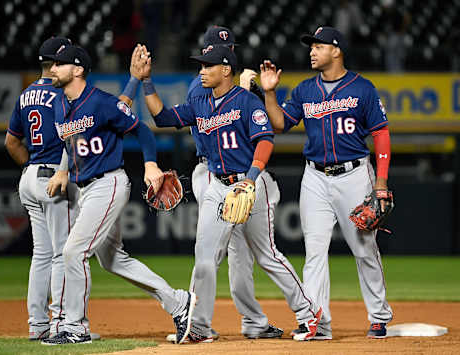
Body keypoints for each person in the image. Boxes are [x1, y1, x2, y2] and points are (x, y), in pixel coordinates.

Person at [137, 43, 322, 343]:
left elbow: (265, 141)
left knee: (267, 255)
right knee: (204, 258)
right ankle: (198, 326)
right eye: (201, 65)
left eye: (207, 66)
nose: (201, 71)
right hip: (217, 185)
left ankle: (309, 314)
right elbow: (163, 117)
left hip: (250, 184)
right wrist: (146, 81)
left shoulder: (246, 101)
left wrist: (250, 179)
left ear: (226, 70)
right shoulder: (200, 102)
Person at [41, 44, 195, 345]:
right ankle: (179, 303)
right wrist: (62, 167)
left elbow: (143, 131)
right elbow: (71, 142)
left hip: (108, 184)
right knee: (113, 260)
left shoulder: (100, 102)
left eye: (59, 64)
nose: (52, 69)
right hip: (85, 189)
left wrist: (151, 165)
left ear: (78, 69)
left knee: (74, 252)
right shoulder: (61, 105)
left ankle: (75, 327)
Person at [260, 26, 394, 339]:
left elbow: (381, 133)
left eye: (318, 46)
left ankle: (378, 316)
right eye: (311, 47)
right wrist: (269, 93)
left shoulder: (362, 88)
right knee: (315, 251)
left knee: (364, 249)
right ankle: (318, 321)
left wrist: (382, 182)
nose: (311, 51)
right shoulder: (306, 90)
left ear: (336, 50)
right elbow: (280, 124)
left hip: (355, 175)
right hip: (315, 177)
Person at [165, 26, 282, 343]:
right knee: (214, 253)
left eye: (230, 47)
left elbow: (259, 123)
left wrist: (250, 93)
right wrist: (243, 92)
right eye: (223, 48)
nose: (230, 51)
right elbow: (220, 125)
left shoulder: (226, 87)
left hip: (231, 172)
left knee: (236, 254)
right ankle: (198, 322)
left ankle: (249, 321)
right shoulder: (201, 88)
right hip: (214, 171)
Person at [5, 36, 77, 341]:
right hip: (53, 178)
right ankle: (60, 324)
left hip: (30, 177)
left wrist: (30, 170)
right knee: (62, 254)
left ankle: (37, 324)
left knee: (41, 254)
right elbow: (71, 139)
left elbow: (11, 142)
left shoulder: (25, 95)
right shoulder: (63, 96)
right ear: (59, 63)